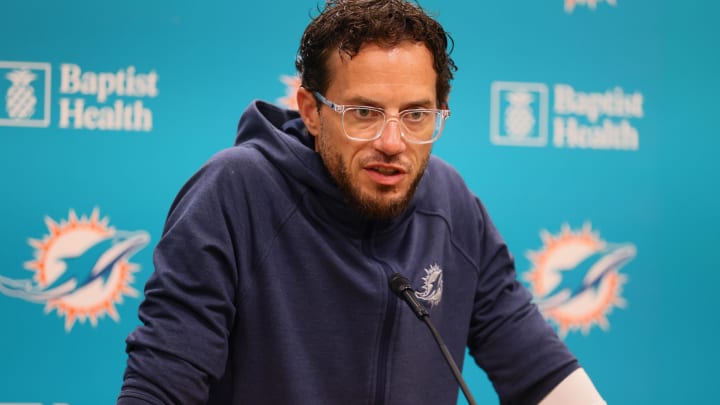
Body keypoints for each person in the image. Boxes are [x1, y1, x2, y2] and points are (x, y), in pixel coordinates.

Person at [117, 0, 606, 404]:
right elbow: (162, 386)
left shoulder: (451, 204)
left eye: (416, 115)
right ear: (310, 110)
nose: (392, 141)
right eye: (364, 113)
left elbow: (543, 376)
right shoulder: (234, 192)